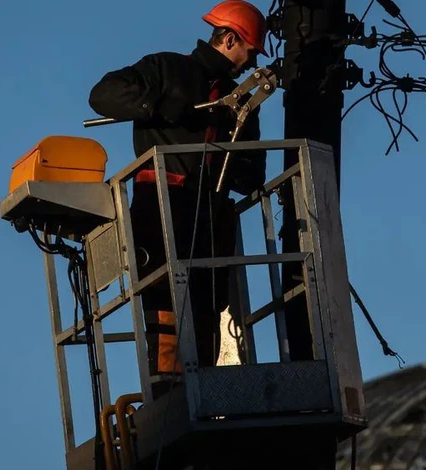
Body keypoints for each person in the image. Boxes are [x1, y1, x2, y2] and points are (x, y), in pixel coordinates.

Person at [87, 0, 269, 399]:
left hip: (211, 213)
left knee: (207, 302)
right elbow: (103, 95)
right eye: (250, 51)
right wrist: (157, 105)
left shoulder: (241, 103)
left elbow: (254, 173)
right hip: (162, 203)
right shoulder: (166, 69)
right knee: (164, 295)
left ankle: (198, 386)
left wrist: (235, 160)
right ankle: (166, 390)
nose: (250, 62)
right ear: (229, 38)